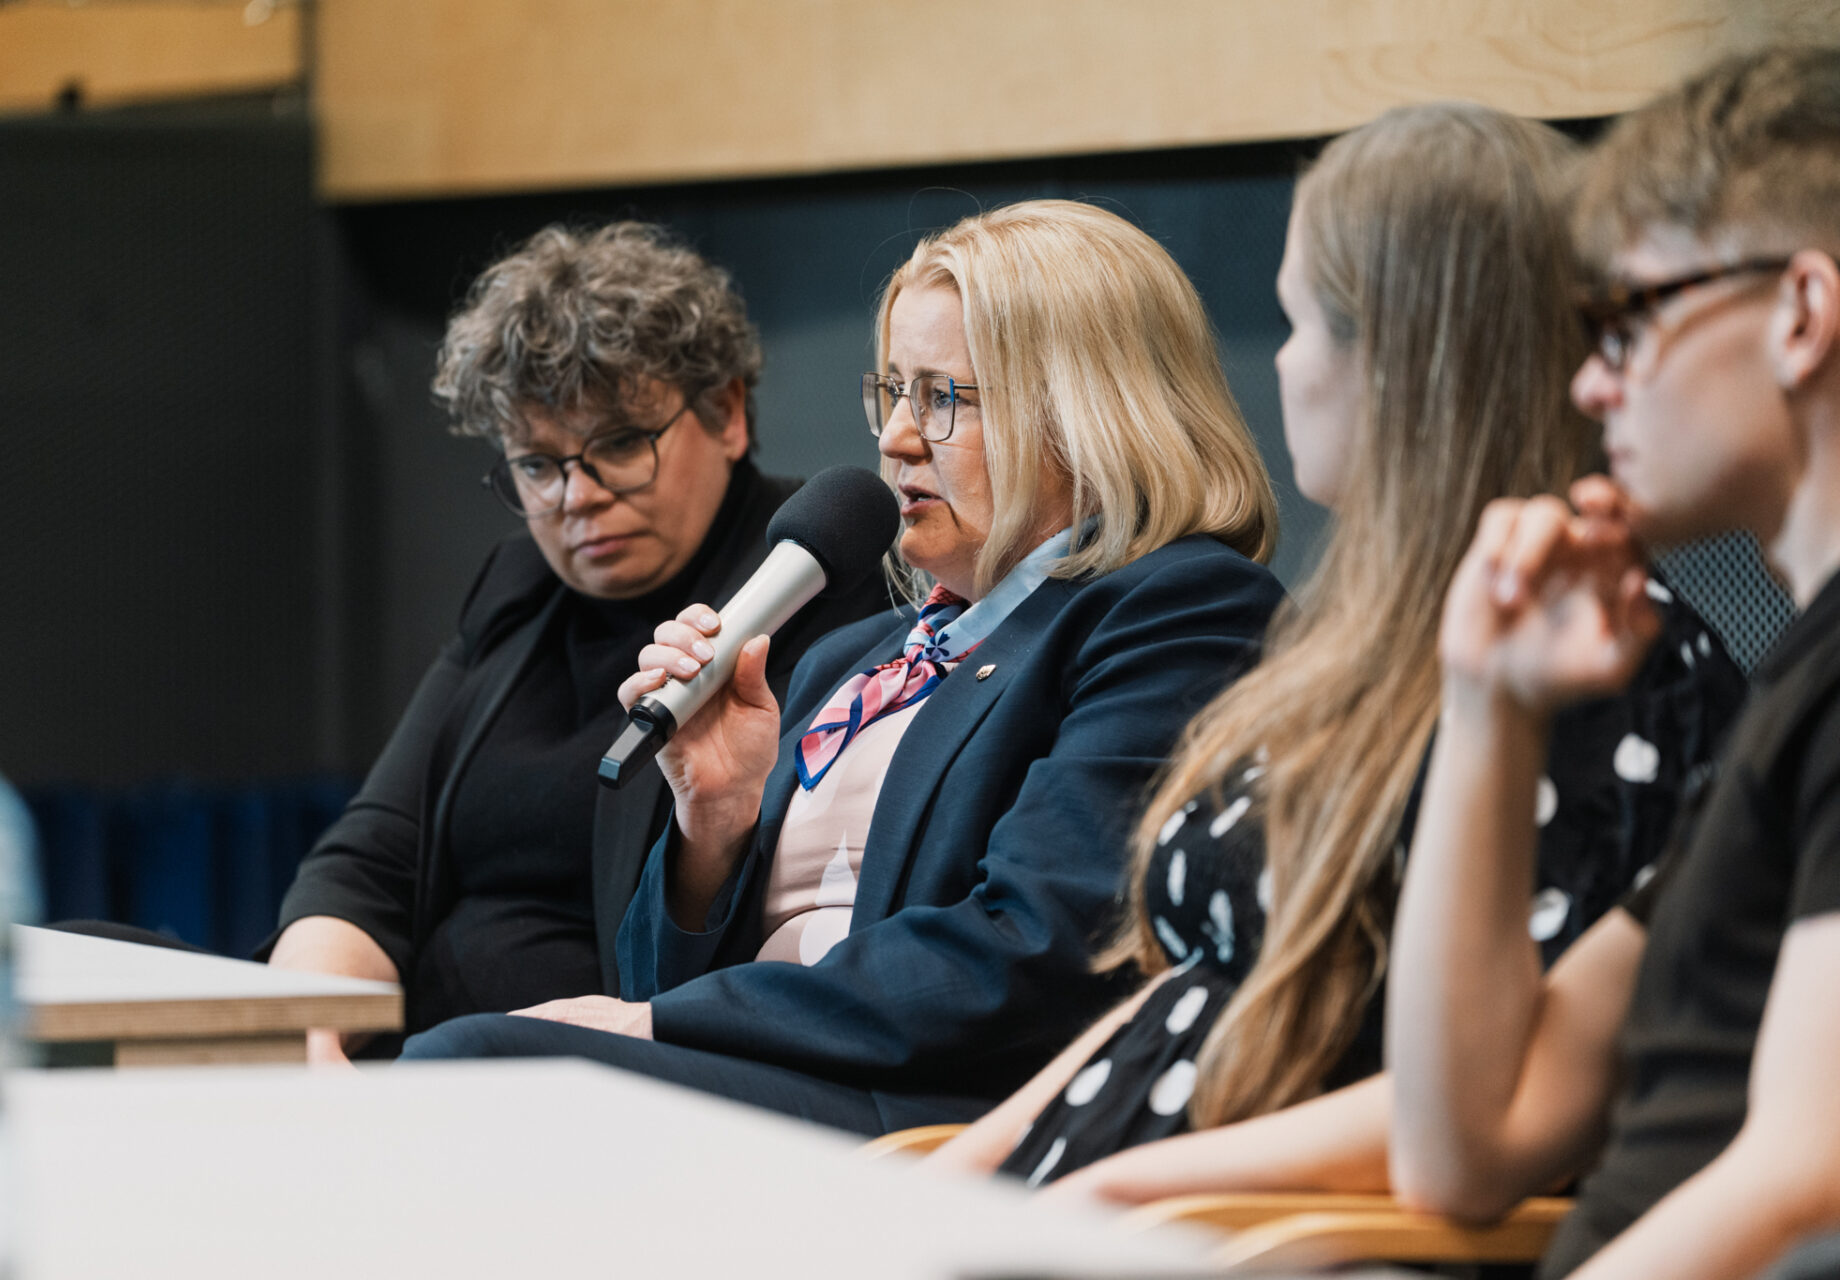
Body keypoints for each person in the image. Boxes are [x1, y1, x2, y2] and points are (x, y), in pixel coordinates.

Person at [924, 102, 1744, 1198]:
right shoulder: (1333, 644)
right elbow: (1192, 996)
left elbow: (1479, 1090)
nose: (1285, 364)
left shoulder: (1598, 666)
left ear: (1404, 358)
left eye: (1297, 319)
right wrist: (965, 1171)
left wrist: (1115, 1193)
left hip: (1250, 1230)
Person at [398, 199, 1288, 1135]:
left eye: (942, 398)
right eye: (892, 393)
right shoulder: (845, 657)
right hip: (773, 1084)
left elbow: (1034, 951)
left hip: (935, 1115)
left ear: (1083, 412)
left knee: (470, 1071)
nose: (896, 437)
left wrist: (660, 1023)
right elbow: (646, 979)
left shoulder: (1175, 608)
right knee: (458, 1067)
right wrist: (717, 820)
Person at [1386, 48, 1840, 1280]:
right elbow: (1461, 1145)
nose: (1592, 381)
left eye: (1628, 319)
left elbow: (1810, 1179)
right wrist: (1492, 708)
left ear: (1801, 315)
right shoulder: (1792, 687)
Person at [261, 222, 888, 1062]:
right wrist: (311, 1041)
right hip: (400, 1060)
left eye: (620, 445)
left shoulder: (812, 587)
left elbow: (745, 937)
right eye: (536, 464)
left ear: (728, 413)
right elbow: (371, 860)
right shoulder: (519, 587)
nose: (575, 496)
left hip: (582, 1070)